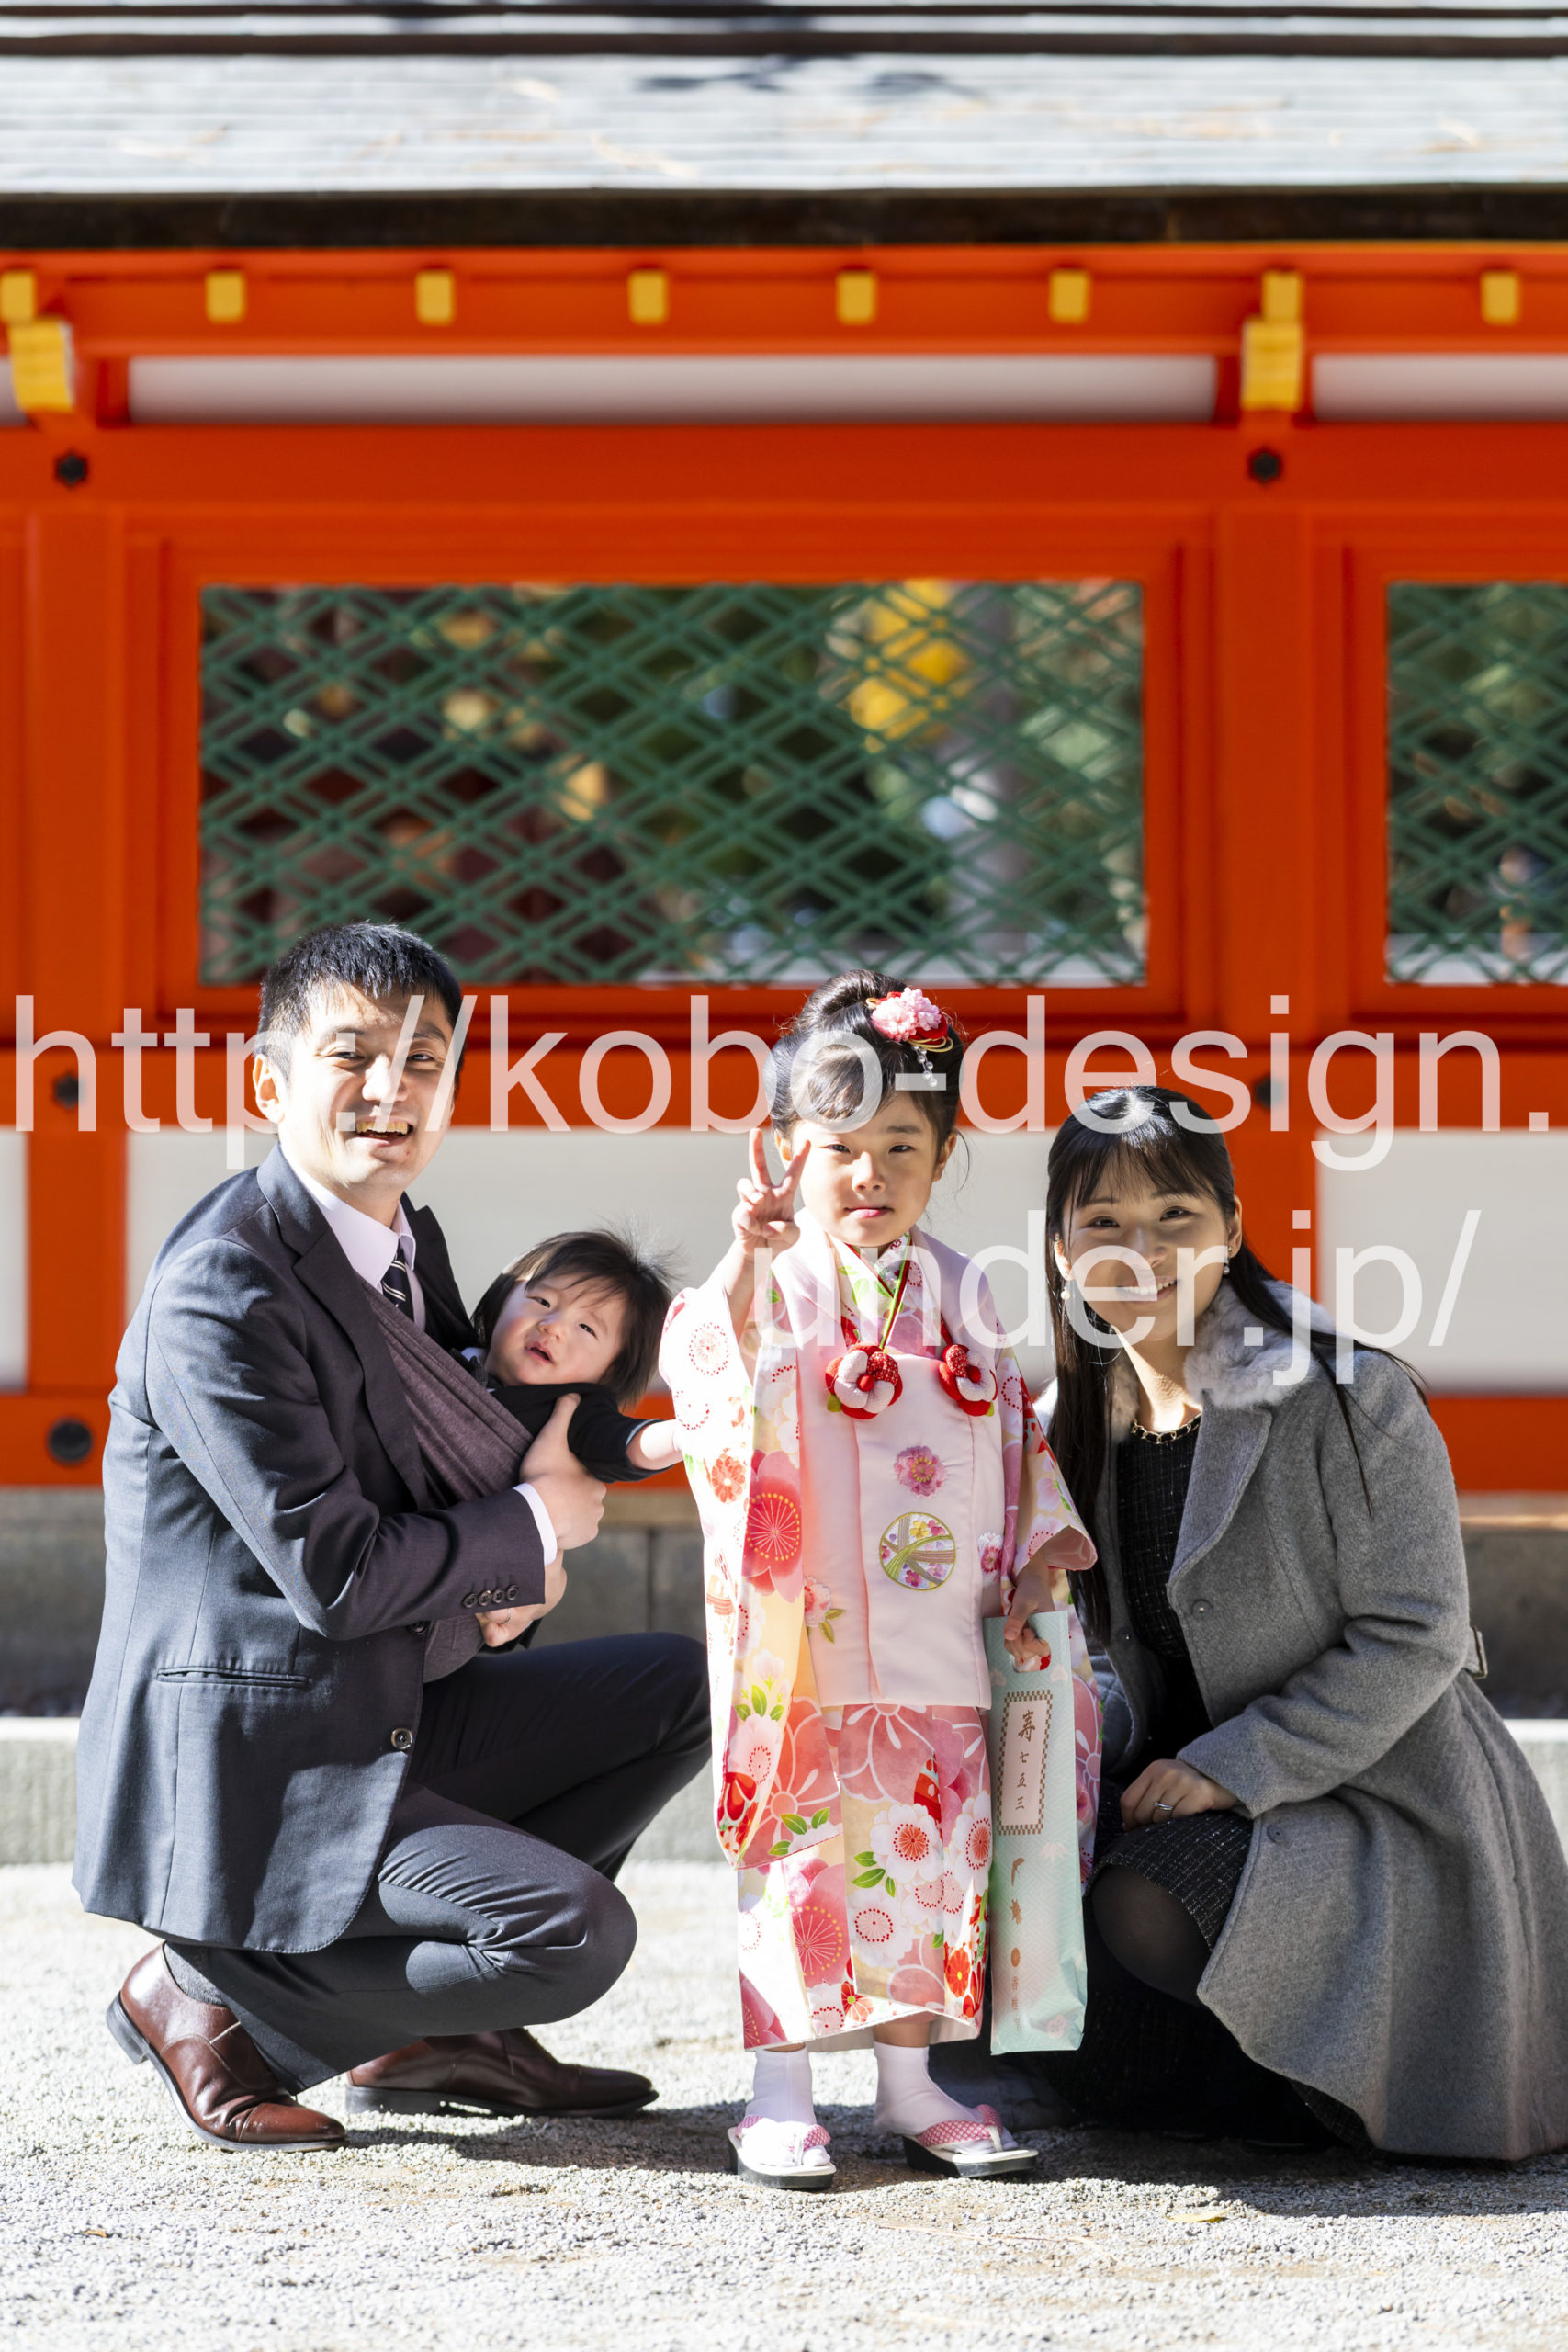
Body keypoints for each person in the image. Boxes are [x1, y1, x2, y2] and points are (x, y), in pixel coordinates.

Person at [75, 922, 710, 2151]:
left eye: (422, 1060)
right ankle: (203, 1994)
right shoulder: (225, 1287)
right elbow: (339, 1571)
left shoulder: (405, 1244)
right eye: (352, 1054)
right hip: (263, 1761)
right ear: (270, 1082)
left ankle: (432, 2032)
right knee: (570, 1935)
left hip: (390, 1700)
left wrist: (514, 1563)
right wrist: (530, 1524)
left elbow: (458, 1462)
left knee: (683, 1688)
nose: (391, 1088)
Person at [1016, 1083, 1568, 2157]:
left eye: (1176, 1215)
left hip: (1376, 1796)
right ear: (1061, 1252)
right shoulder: (1065, 1425)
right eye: (1104, 1222)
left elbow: (1417, 1633)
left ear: (1231, 1227)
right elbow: (1095, 1653)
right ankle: (1270, 2077)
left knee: (1142, 1904)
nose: (1142, 1250)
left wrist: (1232, 1765)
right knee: (1059, 1973)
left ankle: (1338, 2077)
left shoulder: (1347, 1394)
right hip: (1182, 1791)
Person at [661, 973, 1100, 2191]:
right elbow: (707, 1370)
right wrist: (745, 1261)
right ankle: (779, 2090)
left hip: (940, 1626)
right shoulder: (772, 1274)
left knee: (931, 1849)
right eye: (841, 1145)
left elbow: (1011, 1430)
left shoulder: (960, 1285)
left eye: (902, 1145)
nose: (870, 1172)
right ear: (784, 1149)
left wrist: (1037, 1551)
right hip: (803, 1630)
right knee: (800, 1857)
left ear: (944, 1153)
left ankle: (910, 2081)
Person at [471, 1229, 687, 1481]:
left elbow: (628, 1443)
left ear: (610, 1369)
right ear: (501, 1299)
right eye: (543, 1301)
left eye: (586, 1328)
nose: (554, 1327)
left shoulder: (574, 1413)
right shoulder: (445, 1355)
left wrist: (682, 1437)